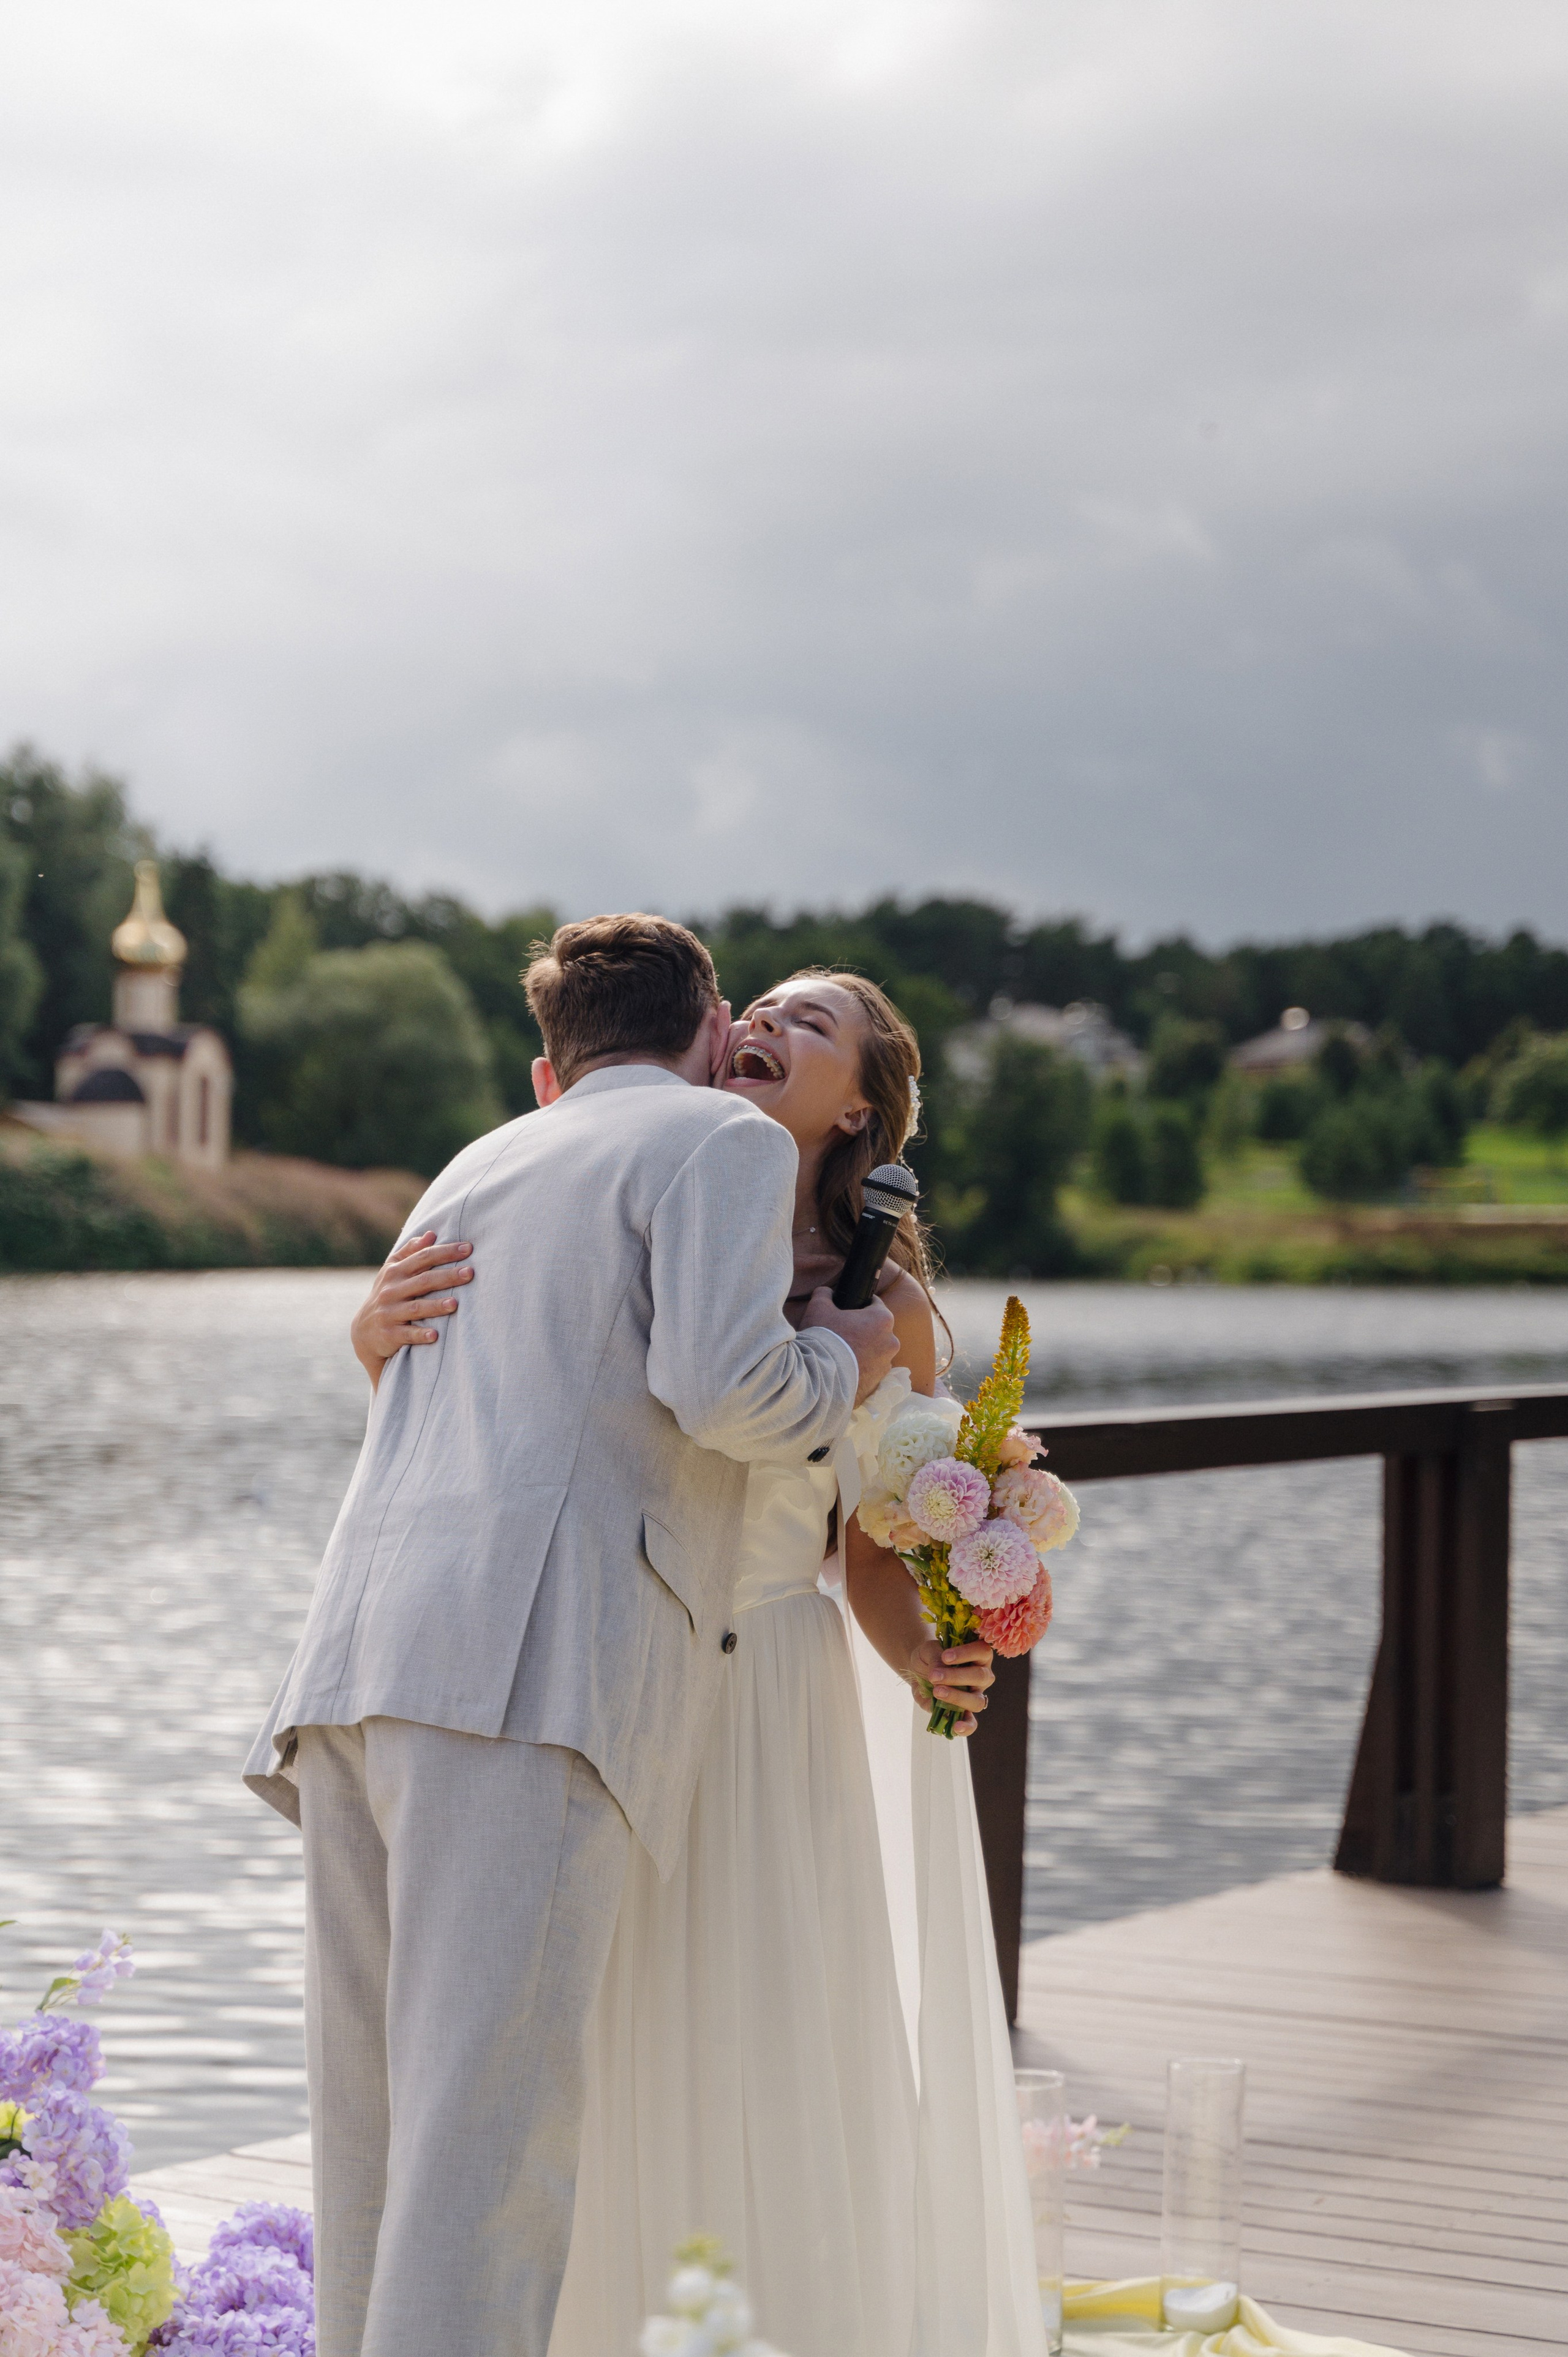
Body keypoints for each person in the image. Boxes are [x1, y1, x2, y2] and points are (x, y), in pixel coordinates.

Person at [358, 967, 1046, 2357]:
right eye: (763, 1005)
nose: (768, 1026)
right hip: (612, 1679)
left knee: (768, 2049)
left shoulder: (889, 1308)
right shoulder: (636, 1208)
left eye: (814, 1022)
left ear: (861, 1105)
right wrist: (372, 1336)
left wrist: (925, 1647)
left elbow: (862, 1539)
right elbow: (502, 1407)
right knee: (581, 2051)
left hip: (772, 1700)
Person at [243, 915, 900, 2357]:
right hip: (525, 1678)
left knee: (376, 2144)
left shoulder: (480, 1156)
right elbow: (726, 1394)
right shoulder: (713, 1147)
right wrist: (842, 1359)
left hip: (360, 1669)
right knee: (484, 2167)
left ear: (558, 1052)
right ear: (706, 1017)